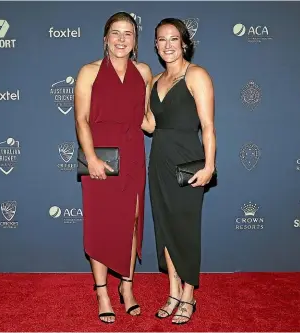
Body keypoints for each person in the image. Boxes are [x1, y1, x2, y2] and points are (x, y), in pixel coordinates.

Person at [74, 12, 152, 324]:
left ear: (135, 42)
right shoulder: (88, 72)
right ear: (105, 38)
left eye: (128, 34)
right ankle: (103, 292)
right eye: (115, 33)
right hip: (100, 152)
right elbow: (80, 119)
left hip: (133, 151)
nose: (121, 39)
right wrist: (90, 157)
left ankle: (127, 288)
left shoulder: (144, 71)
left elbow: (147, 118)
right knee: (100, 223)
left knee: (132, 220)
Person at [144, 18, 216, 324]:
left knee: (185, 229)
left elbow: (209, 126)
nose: (168, 44)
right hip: (159, 159)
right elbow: (149, 124)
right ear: (156, 45)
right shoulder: (153, 81)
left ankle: (189, 294)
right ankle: (172, 291)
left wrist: (210, 165)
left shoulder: (196, 75)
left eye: (174, 38)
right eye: (162, 39)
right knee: (164, 228)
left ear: (184, 42)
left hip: (188, 161)